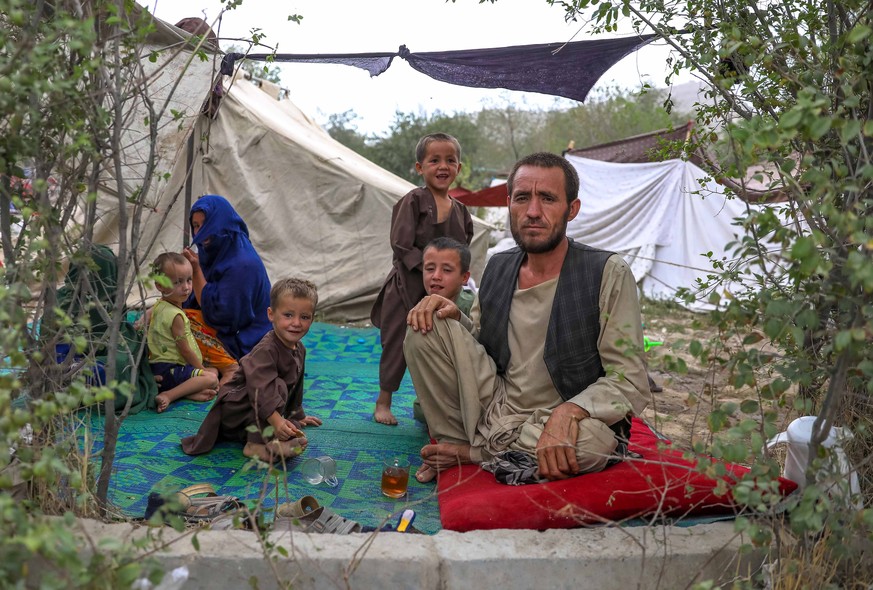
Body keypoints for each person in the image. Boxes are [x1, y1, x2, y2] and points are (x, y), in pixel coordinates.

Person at [404, 152, 650, 484]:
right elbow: (481, 345)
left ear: (571, 209)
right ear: (509, 205)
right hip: (496, 404)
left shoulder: (606, 272)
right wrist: (456, 320)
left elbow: (629, 379)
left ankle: (471, 452)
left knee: (594, 444)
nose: (533, 211)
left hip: (561, 414)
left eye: (547, 198)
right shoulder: (498, 265)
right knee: (424, 326)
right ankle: (468, 441)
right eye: (522, 198)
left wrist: (568, 413)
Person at [370, 133, 474, 426]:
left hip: (442, 294)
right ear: (419, 167)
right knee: (396, 343)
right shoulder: (413, 200)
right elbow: (400, 244)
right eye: (434, 160)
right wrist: (428, 269)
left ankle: (434, 401)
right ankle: (383, 400)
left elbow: (462, 251)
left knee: (439, 342)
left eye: (450, 160)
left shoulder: (462, 211)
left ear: (459, 167)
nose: (443, 166)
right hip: (406, 287)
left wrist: (451, 278)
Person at [181, 278, 322, 462]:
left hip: (256, 411)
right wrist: (277, 422)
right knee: (276, 385)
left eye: (304, 317)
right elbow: (260, 389)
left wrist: (297, 414)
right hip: (235, 409)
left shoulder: (299, 349)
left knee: (281, 396)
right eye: (288, 315)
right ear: (271, 314)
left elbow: (297, 384)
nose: (296, 323)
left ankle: (272, 437)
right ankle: (255, 445)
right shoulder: (267, 349)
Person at [182, 194, 272, 384]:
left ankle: (228, 368)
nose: (200, 233)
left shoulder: (242, 264)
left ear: (221, 222)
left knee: (175, 322)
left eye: (206, 224)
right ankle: (207, 375)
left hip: (247, 343)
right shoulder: (216, 251)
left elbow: (221, 318)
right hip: (225, 331)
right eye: (196, 226)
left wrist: (196, 271)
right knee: (163, 317)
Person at [412, 237, 474, 424]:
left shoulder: (473, 307)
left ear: (465, 278)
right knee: (422, 411)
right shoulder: (422, 308)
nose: (436, 276)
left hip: (471, 385)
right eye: (429, 268)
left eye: (447, 270)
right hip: (440, 390)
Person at [147, 252, 220, 413]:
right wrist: (201, 368)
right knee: (212, 378)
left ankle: (191, 392)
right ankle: (170, 395)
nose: (186, 287)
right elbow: (185, 350)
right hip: (172, 369)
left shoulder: (159, 306)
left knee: (213, 370)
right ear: (159, 285)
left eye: (189, 280)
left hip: (163, 369)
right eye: (177, 282)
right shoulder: (176, 316)